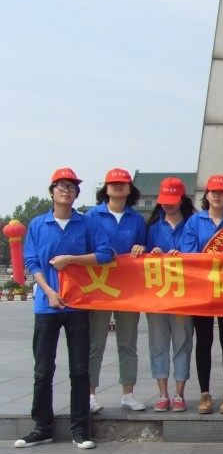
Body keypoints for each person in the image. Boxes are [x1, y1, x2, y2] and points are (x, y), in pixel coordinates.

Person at [16, 168, 113, 450]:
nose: (66, 190)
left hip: (77, 305)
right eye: (61, 186)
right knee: (43, 370)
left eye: (71, 187)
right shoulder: (38, 224)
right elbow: (32, 261)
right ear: (51, 192)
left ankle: (80, 428)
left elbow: (106, 253)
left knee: (80, 370)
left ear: (76, 194)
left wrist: (72, 259)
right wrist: (48, 291)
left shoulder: (86, 224)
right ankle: (42, 427)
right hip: (46, 306)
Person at [181, 174, 223, 415]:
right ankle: (205, 393)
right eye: (213, 191)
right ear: (206, 195)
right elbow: (188, 252)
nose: (217, 195)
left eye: (222, 192)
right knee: (204, 341)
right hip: (203, 290)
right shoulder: (194, 222)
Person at [86, 168, 147, 413]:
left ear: (130, 188)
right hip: (99, 287)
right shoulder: (92, 216)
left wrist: (142, 247)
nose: (118, 187)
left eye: (123, 183)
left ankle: (128, 393)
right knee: (95, 343)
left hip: (128, 289)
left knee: (128, 343)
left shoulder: (137, 219)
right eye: (113, 183)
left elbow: (145, 245)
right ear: (106, 188)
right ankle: (90, 394)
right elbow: (85, 246)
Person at [145, 177, 196, 412]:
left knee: (182, 342)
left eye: (173, 199)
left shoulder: (192, 224)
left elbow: (198, 255)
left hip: (183, 296)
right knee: (158, 344)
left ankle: (179, 393)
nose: (168, 204)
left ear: (182, 200)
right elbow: (139, 254)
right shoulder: (152, 227)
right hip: (157, 296)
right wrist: (149, 253)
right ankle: (163, 393)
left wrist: (183, 255)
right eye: (164, 199)